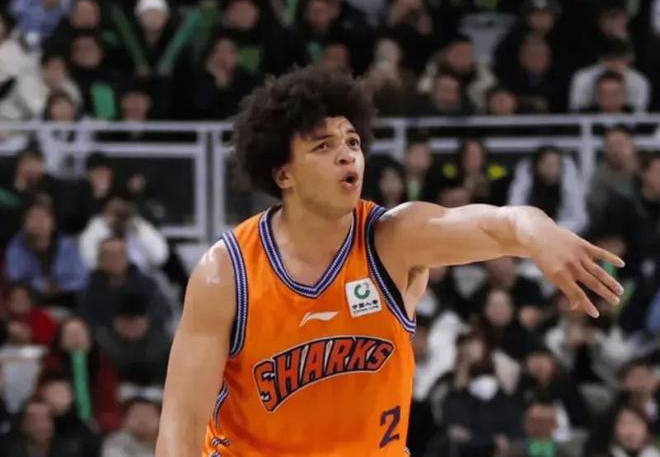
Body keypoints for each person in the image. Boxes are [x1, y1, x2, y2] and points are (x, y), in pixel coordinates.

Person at [155, 66, 624, 457]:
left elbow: (498, 224)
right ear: (283, 174)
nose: (347, 155)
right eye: (324, 146)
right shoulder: (227, 271)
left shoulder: (393, 239)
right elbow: (182, 420)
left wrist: (538, 232)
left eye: (352, 142)